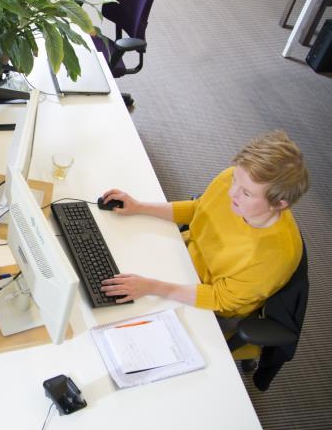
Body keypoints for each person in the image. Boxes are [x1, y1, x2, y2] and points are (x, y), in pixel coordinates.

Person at [99, 130, 309, 324]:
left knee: (116, 318)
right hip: (181, 256)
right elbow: (201, 209)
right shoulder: (233, 179)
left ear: (279, 204)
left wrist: (153, 287)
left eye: (246, 193)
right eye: (235, 180)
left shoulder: (273, 257)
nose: (231, 193)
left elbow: (220, 299)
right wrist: (139, 207)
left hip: (207, 302)